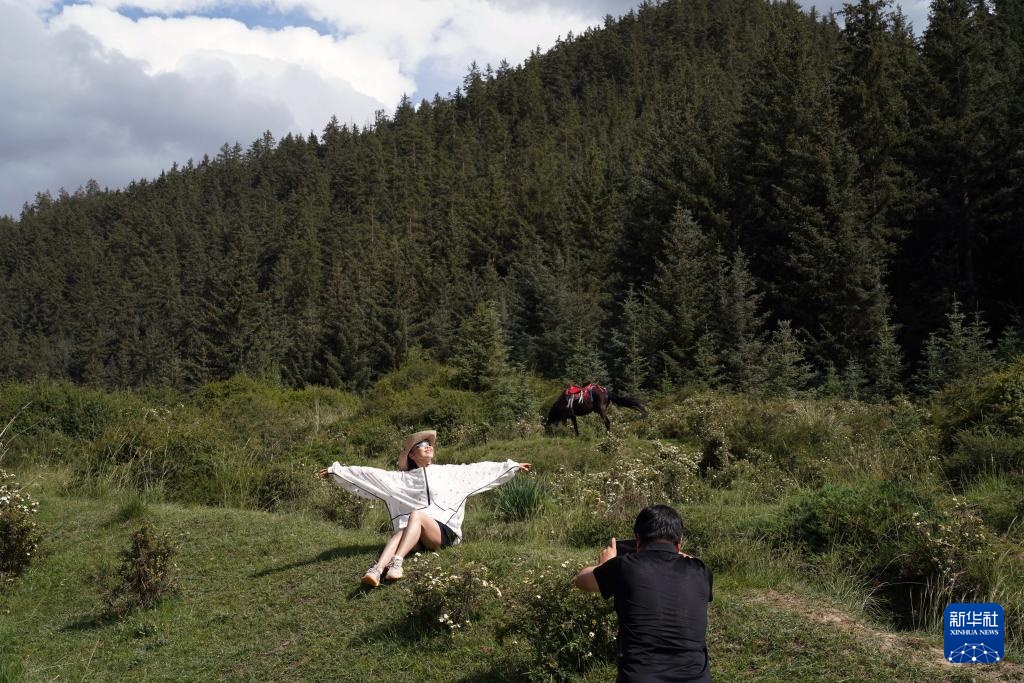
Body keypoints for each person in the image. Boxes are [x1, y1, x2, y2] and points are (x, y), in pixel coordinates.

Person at [318, 429, 532, 587]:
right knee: (402, 529)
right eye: (422, 445)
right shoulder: (402, 479)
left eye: (430, 444)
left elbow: (477, 470)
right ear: (411, 455)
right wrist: (338, 471)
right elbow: (371, 475)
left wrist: (509, 466)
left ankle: (397, 562)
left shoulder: (448, 472)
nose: (429, 446)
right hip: (416, 535)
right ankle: (376, 570)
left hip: (443, 533)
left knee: (416, 515)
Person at [575, 504, 713, 682]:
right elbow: (689, 560)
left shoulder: (625, 566)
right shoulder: (701, 572)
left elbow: (581, 580)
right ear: (679, 543)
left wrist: (605, 565)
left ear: (638, 539)